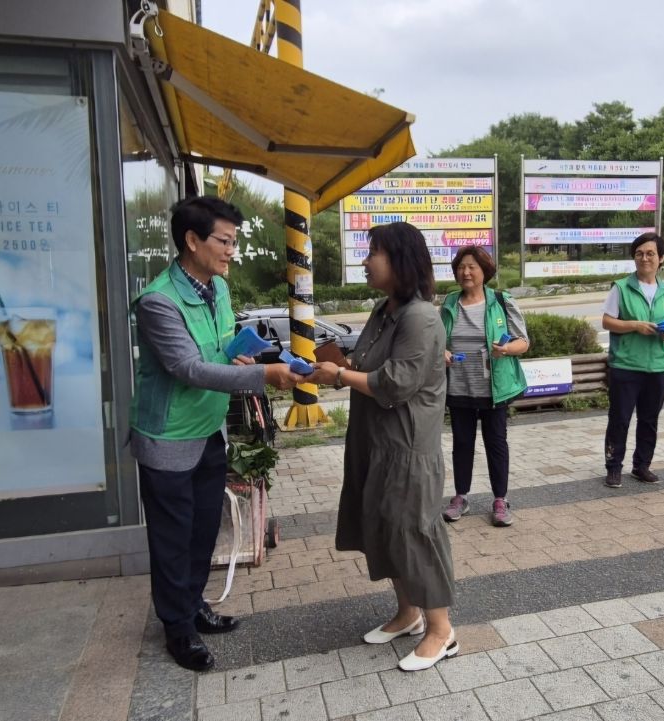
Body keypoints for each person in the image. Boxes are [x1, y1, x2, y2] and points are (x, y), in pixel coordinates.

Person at [130, 196, 301, 672]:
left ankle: (193, 605)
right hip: (167, 438)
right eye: (224, 241)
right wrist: (263, 377)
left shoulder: (217, 289)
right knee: (172, 538)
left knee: (204, 528)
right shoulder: (158, 302)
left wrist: (240, 356)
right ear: (192, 240)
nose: (232, 251)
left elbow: (220, 350)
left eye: (234, 241)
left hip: (208, 428)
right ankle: (177, 629)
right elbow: (188, 368)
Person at [303, 222, 456, 672]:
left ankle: (441, 630)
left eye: (374, 252)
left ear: (401, 260)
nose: (366, 261)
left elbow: (397, 383)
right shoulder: (382, 309)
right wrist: (336, 365)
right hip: (374, 442)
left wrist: (338, 377)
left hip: (408, 448)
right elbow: (366, 364)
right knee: (384, 528)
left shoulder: (420, 316)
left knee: (414, 533)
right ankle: (408, 614)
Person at [440, 246, 529, 527]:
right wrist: (441, 352)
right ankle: (460, 497)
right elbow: (438, 340)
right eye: (461, 267)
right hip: (459, 386)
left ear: (484, 271)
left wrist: (506, 349)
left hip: (493, 388)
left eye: (472, 267)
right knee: (462, 444)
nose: (465, 272)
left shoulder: (501, 301)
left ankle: (500, 500)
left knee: (496, 443)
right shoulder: (449, 303)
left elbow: (523, 342)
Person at [601, 232, 664, 488]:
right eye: (639, 253)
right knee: (620, 419)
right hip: (626, 365)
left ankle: (642, 466)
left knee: (649, 420)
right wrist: (634, 325)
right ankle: (614, 467)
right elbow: (607, 321)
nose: (644, 258)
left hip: (658, 365)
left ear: (661, 259)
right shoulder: (621, 287)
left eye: (650, 253)